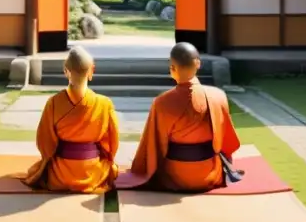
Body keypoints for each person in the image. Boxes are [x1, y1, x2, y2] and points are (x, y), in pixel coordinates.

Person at [129, 41, 241, 192]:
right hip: (209, 174)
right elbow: (228, 142)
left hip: (174, 177)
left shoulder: (162, 102)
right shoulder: (218, 96)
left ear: (172, 69)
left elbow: (152, 145)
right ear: (198, 64)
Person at [22, 46, 120, 193]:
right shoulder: (105, 103)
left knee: (41, 170)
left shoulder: (54, 103)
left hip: (60, 175)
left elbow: (45, 143)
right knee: (110, 168)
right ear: (91, 71)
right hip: (92, 173)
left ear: (66, 71)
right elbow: (112, 142)